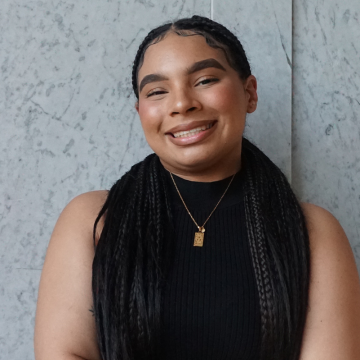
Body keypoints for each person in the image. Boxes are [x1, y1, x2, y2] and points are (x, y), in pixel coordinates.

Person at [34, 15, 360, 360]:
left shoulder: (312, 231)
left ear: (249, 92)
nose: (181, 104)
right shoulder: (94, 220)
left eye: (204, 80)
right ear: (140, 111)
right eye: (157, 91)